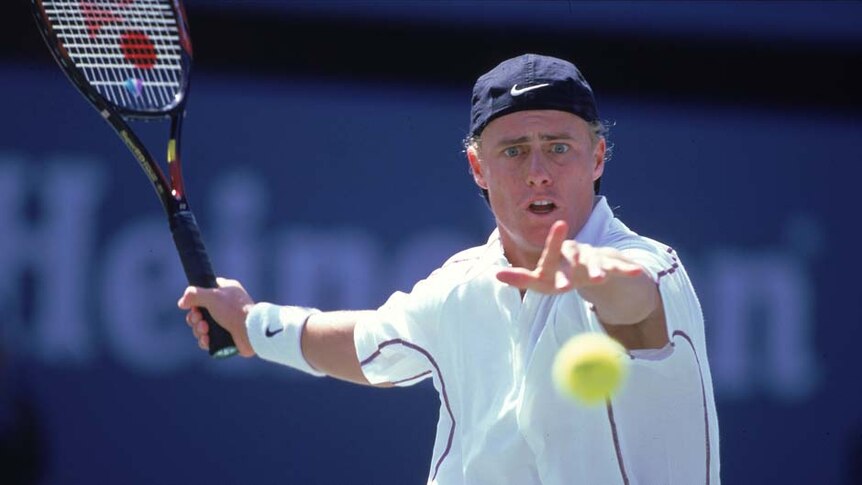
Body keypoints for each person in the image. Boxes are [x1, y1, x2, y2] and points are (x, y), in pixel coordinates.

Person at [178, 53, 720, 484]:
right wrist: (250, 324)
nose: (538, 173)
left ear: (597, 157)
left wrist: (590, 275)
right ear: (477, 167)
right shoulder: (460, 286)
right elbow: (365, 345)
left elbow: (636, 303)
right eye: (513, 151)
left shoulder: (649, 267)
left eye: (558, 148)